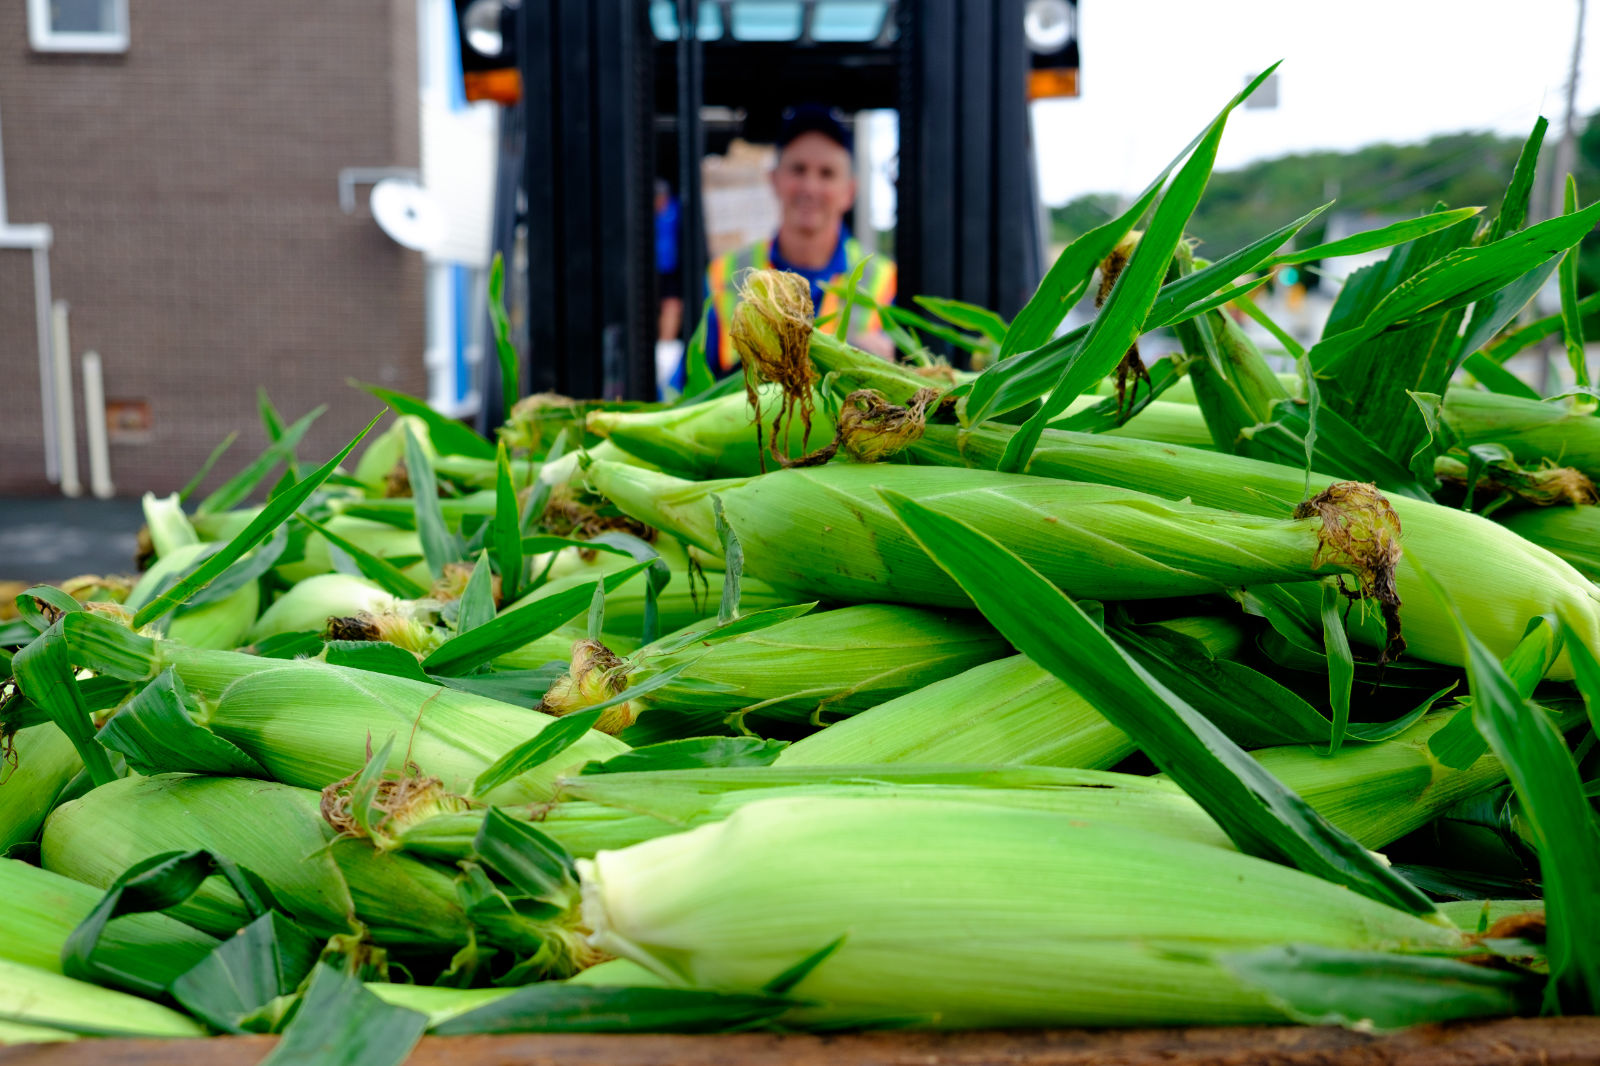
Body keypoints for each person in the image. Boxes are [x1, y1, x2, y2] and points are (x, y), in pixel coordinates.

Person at [671, 104, 897, 394]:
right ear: (774, 179)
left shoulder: (885, 281)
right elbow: (686, 388)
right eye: (798, 169)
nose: (810, 187)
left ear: (849, 191)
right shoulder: (724, 275)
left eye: (826, 173)